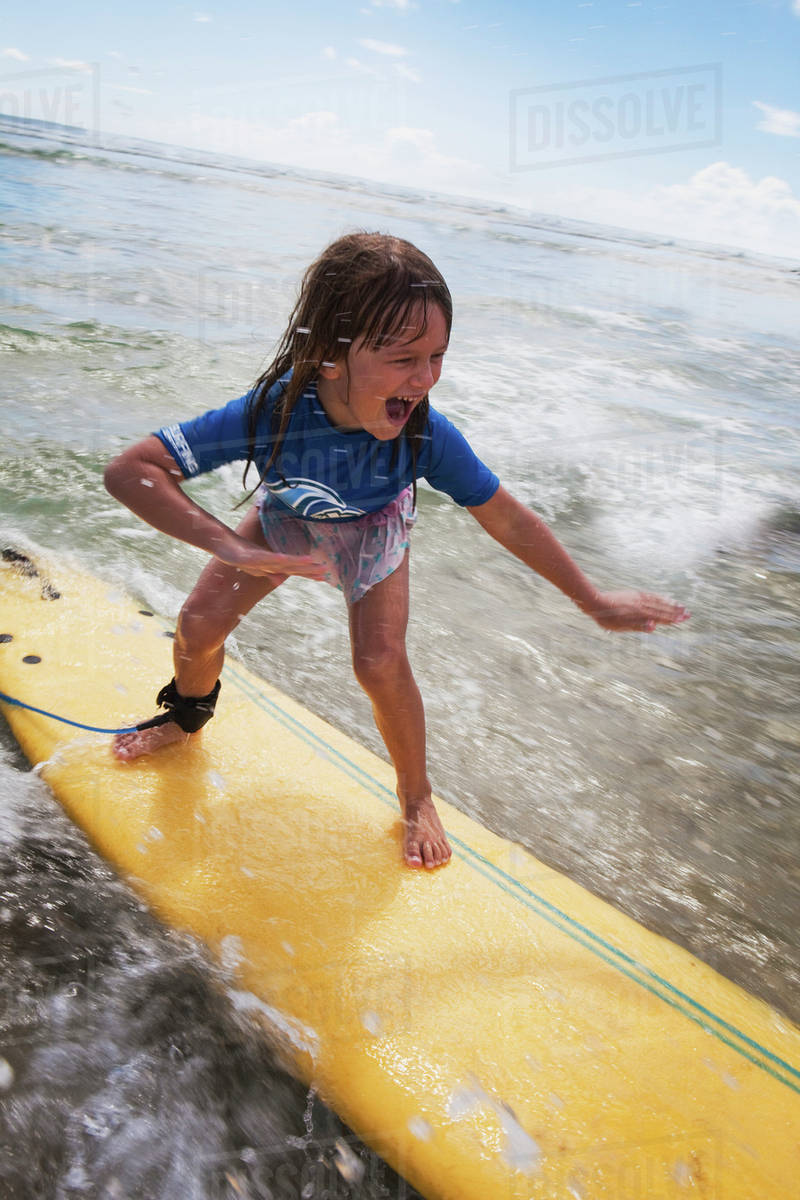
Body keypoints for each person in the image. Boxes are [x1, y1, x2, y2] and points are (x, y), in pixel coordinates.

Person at [104, 231, 689, 871]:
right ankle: (187, 716)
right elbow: (133, 470)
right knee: (198, 623)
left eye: (437, 356)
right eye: (404, 358)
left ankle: (418, 799)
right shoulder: (274, 414)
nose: (425, 379)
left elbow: (507, 519)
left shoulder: (425, 436)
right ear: (330, 354)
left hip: (376, 527)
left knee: (378, 663)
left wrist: (593, 600)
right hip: (289, 515)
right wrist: (229, 547)